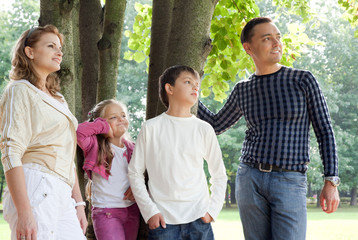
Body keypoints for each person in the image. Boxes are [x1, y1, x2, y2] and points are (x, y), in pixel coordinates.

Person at [197, 17, 340, 240]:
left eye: (278, 37)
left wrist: (331, 181)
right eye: (267, 38)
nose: (276, 43)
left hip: (290, 180)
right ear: (248, 47)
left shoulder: (302, 80)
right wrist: (190, 96)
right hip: (249, 178)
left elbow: (324, 131)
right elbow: (216, 124)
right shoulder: (243, 89)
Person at [0, 25, 87, 240]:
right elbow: (10, 151)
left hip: (62, 192)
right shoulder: (19, 90)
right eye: (51, 46)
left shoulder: (59, 99)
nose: (59, 52)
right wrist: (24, 211)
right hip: (36, 184)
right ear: (29, 52)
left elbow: (68, 156)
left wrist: (78, 202)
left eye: (60, 48)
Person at [128, 65, 228, 240]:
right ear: (170, 88)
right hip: (163, 221)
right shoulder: (150, 128)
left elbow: (219, 174)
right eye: (188, 82)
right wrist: (150, 212)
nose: (195, 87)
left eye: (197, 84)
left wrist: (212, 211)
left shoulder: (204, 129)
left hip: (199, 220)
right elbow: (135, 172)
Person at [76, 99, 140, 240]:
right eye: (113, 117)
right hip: (107, 212)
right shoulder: (94, 146)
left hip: (132, 210)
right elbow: (79, 132)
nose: (121, 120)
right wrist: (104, 126)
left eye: (123, 116)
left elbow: (144, 174)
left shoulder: (133, 149)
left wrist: (138, 189)